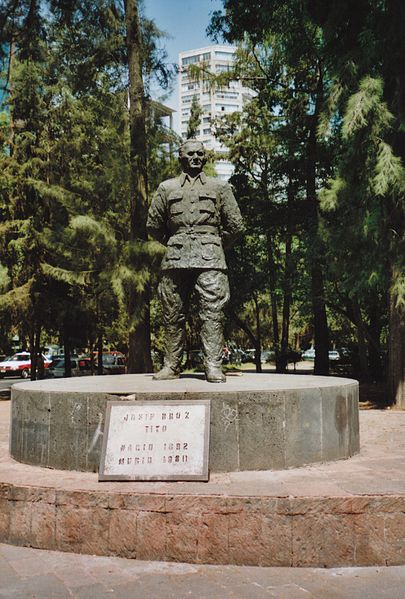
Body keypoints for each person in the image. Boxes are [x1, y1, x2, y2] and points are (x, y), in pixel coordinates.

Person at [147, 139, 244, 383]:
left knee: (212, 313)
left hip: (210, 257)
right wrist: (175, 241)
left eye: (200, 154)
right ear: (181, 158)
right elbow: (154, 225)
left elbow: (236, 226)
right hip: (176, 258)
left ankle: (213, 366)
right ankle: (171, 366)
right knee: (171, 313)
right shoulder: (166, 188)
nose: (196, 157)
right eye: (190, 154)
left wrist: (215, 243)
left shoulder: (220, 188)